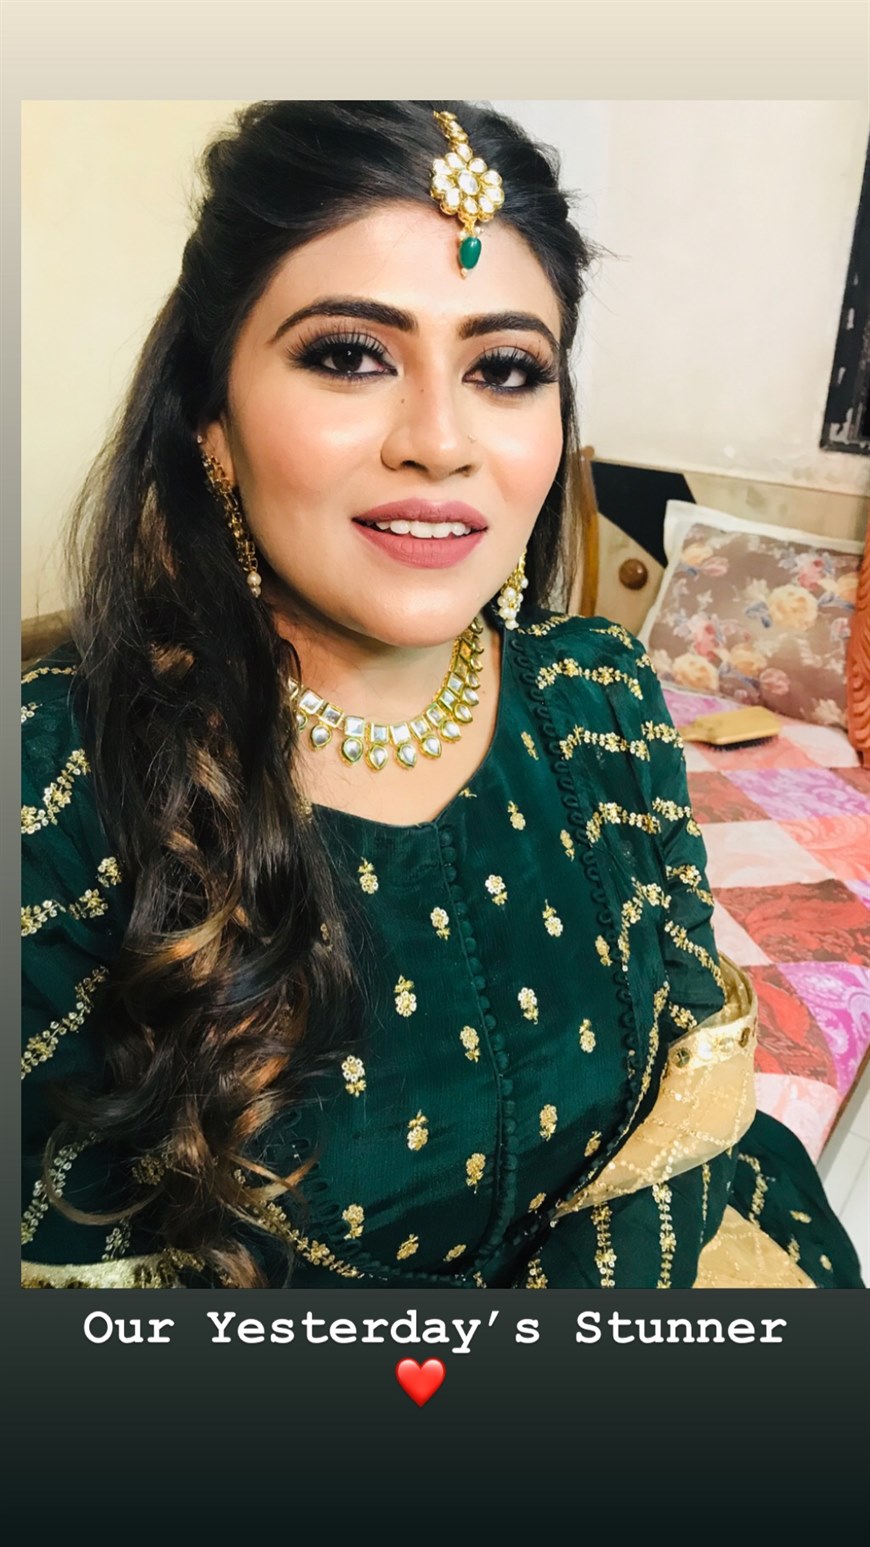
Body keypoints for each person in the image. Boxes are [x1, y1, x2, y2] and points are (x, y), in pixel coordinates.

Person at [21, 100, 863, 1290]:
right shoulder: (55, 789)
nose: (441, 440)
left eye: (506, 369)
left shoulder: (603, 696)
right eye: (348, 355)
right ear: (213, 423)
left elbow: (689, 1093)